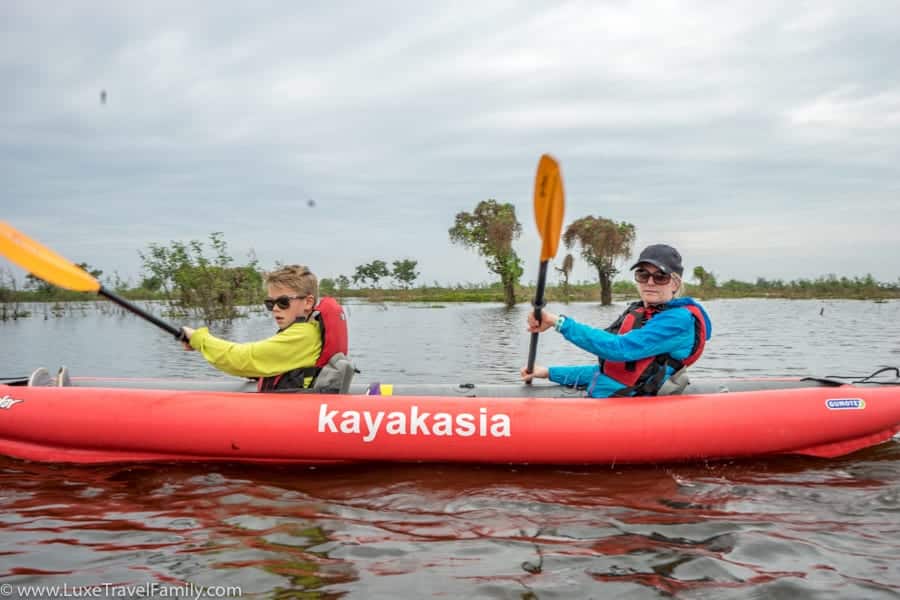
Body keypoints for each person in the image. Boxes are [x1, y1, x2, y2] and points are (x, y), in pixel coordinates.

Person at [520, 244, 712, 397]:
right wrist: (548, 373)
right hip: (613, 401)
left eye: (660, 277)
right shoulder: (643, 312)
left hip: (634, 414)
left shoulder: (678, 320)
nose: (650, 282)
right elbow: (610, 372)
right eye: (643, 275)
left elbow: (619, 349)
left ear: (675, 283)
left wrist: (558, 322)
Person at [181, 264, 325, 391]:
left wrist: (197, 338)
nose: (275, 308)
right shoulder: (310, 329)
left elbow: (242, 358)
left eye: (283, 302)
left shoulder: (302, 335)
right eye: (270, 303)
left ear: (308, 302)